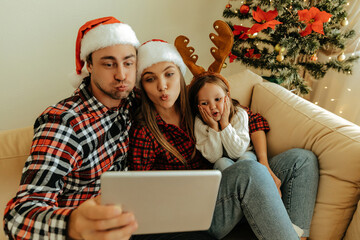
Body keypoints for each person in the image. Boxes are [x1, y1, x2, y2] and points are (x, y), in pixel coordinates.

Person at [3, 17, 210, 240]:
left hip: (138, 219)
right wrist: (72, 225)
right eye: (109, 64)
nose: (121, 74)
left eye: (129, 63)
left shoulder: (135, 100)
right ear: (89, 65)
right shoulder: (64, 122)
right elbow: (18, 214)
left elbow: (179, 90)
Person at [129, 38, 318, 239]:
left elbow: (253, 120)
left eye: (169, 74)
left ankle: (298, 236)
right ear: (142, 86)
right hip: (197, 213)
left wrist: (264, 164)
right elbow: (143, 193)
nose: (163, 86)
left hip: (225, 184)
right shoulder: (145, 132)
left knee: (302, 160)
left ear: (180, 74)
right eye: (150, 79)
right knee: (248, 171)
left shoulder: (198, 105)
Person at [187, 73, 255, 172]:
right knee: (221, 163)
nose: (213, 107)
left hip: (244, 154)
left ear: (227, 97)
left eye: (217, 99)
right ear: (198, 106)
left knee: (246, 161)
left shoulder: (239, 114)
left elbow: (237, 152)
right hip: (220, 162)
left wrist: (225, 124)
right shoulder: (199, 122)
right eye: (204, 103)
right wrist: (213, 128)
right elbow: (213, 158)